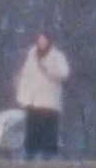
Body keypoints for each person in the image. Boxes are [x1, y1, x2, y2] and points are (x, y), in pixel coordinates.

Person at [14, 31, 71, 160]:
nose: (41, 43)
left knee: (49, 127)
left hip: (49, 99)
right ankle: (30, 152)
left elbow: (64, 73)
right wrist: (22, 94)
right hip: (33, 99)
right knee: (32, 127)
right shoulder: (31, 56)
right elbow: (25, 76)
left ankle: (48, 153)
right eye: (40, 40)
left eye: (44, 40)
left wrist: (49, 70)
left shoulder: (58, 56)